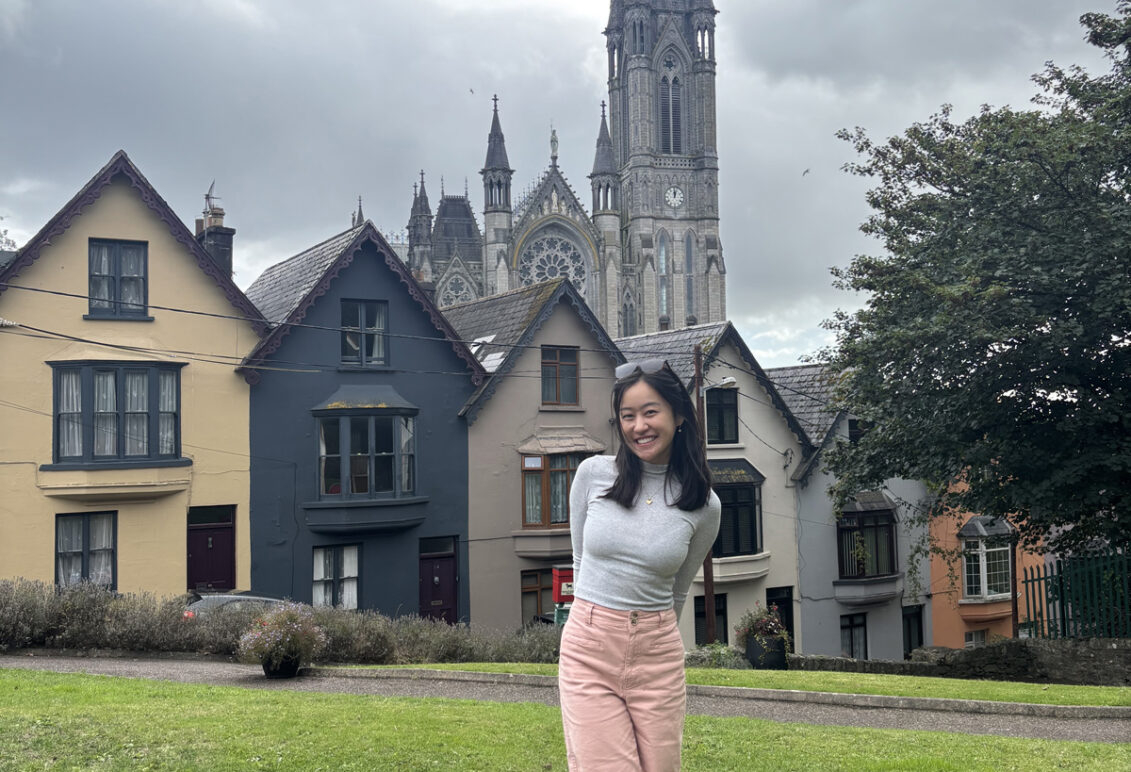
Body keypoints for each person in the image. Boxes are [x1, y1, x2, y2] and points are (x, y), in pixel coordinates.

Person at [559, 358, 721, 771]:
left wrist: (651, 634)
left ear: (679, 415)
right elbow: (580, 559)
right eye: (627, 416)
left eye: (650, 412)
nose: (639, 426)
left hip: (658, 654)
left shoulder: (704, 505)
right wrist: (592, 621)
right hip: (590, 647)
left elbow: (679, 589)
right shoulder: (593, 475)